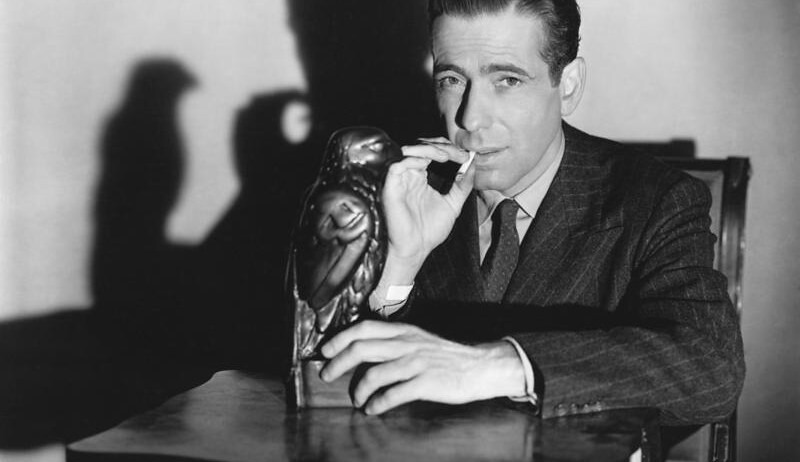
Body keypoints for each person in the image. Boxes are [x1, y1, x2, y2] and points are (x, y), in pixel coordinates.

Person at [318, 0, 745, 426]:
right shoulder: (398, 187)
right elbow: (321, 376)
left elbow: (710, 371)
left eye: (507, 80)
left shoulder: (655, 200)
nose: (471, 119)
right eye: (452, 79)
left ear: (569, 86)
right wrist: (400, 268)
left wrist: (503, 365)